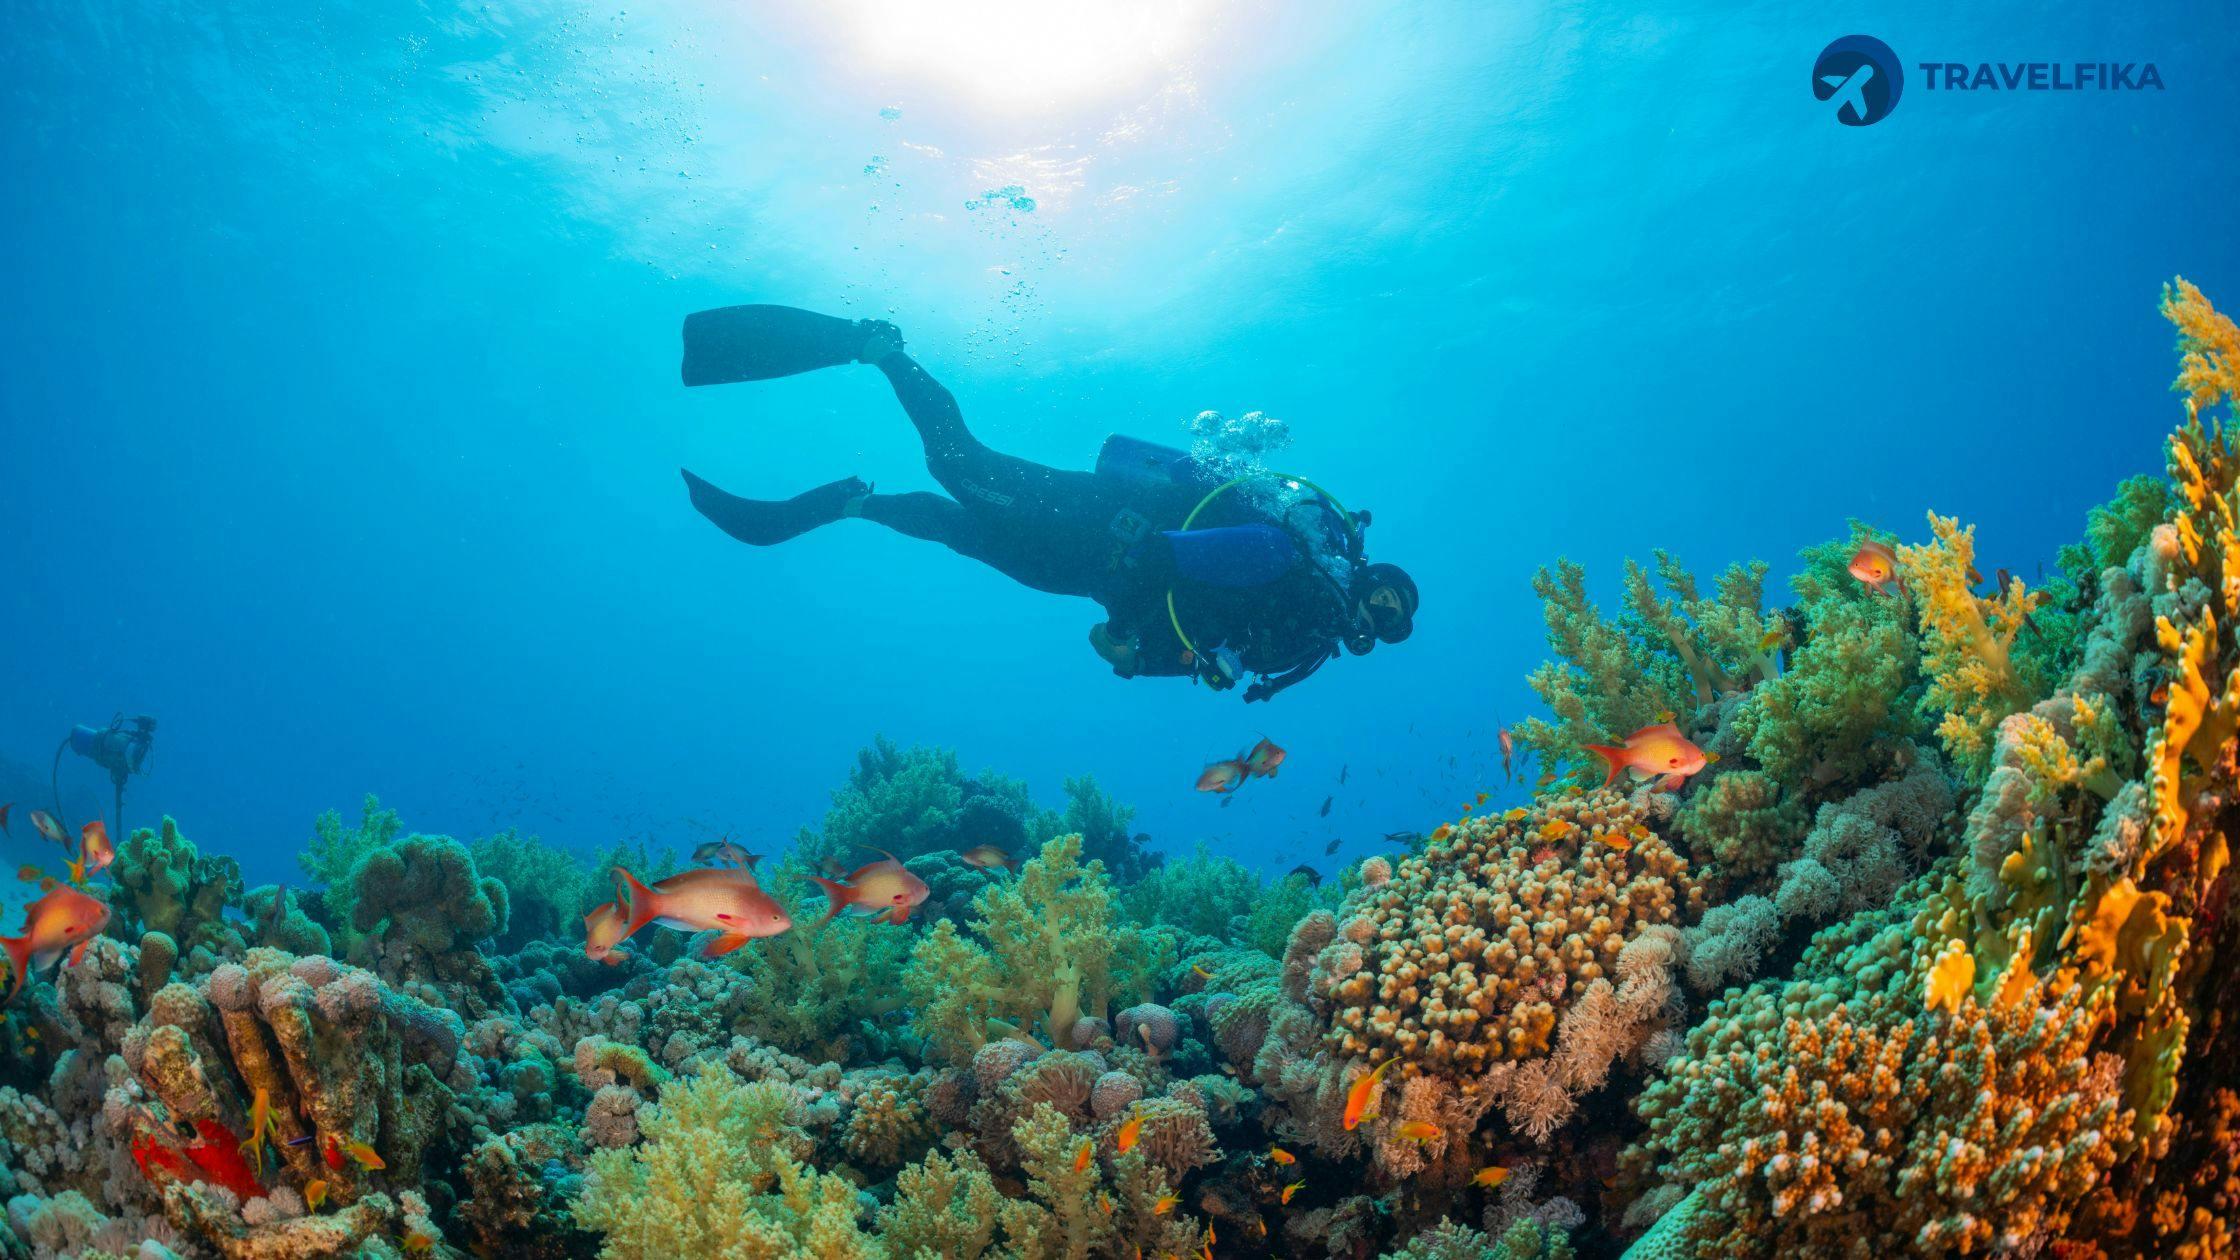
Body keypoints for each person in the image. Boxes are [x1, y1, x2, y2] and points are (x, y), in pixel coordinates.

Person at [678, 310, 1417, 701]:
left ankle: (850, 504)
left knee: (949, 526)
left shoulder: (1299, 645)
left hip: (1085, 572)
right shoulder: (1297, 560)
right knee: (958, 462)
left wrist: (1126, 652)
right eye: (1385, 597)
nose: (1377, 618)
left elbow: (1157, 649)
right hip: (1098, 521)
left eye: (1391, 625)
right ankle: (877, 346)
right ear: (1365, 572)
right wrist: (1147, 584)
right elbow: (1218, 552)